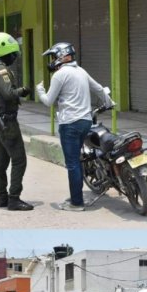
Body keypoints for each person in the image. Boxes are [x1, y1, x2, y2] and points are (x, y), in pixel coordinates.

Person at [36, 42, 113, 212]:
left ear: (62, 56)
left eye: (53, 57)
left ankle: (76, 203)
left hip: (70, 124)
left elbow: (48, 101)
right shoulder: (81, 71)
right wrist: (109, 102)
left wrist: (40, 90)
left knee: (73, 164)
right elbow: (99, 89)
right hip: (86, 122)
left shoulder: (60, 75)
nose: (52, 61)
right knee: (80, 158)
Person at [0, 33, 33, 212]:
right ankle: (14, 199)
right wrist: (23, 90)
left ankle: (2, 197)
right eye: (13, 53)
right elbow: (8, 93)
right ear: (4, 51)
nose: (14, 57)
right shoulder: (0, 70)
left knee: (1, 161)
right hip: (6, 122)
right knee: (19, 160)